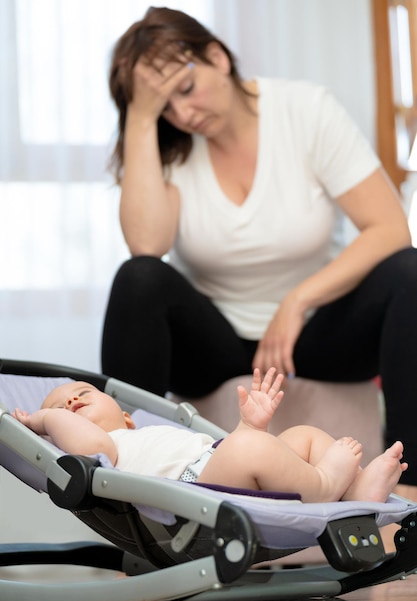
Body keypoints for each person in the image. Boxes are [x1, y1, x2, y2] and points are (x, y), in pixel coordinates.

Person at [100, 7, 417, 500]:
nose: (182, 115)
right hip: (218, 344)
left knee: (409, 272)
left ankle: (410, 495)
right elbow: (147, 246)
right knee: (138, 278)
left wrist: (296, 302)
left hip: (312, 336)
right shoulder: (169, 145)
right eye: (164, 107)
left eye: (184, 91)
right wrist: (142, 117)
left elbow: (390, 229)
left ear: (217, 57)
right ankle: (121, 498)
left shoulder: (305, 110)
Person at [12, 368, 406, 504]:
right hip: (192, 493)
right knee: (249, 447)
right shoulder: (106, 451)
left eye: (83, 394)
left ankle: (352, 493)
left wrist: (251, 425)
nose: (73, 403)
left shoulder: (142, 432)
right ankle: (322, 487)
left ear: (128, 418)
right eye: (62, 407)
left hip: (213, 465)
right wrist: (43, 419)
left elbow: (217, 454)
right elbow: (86, 445)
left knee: (300, 435)